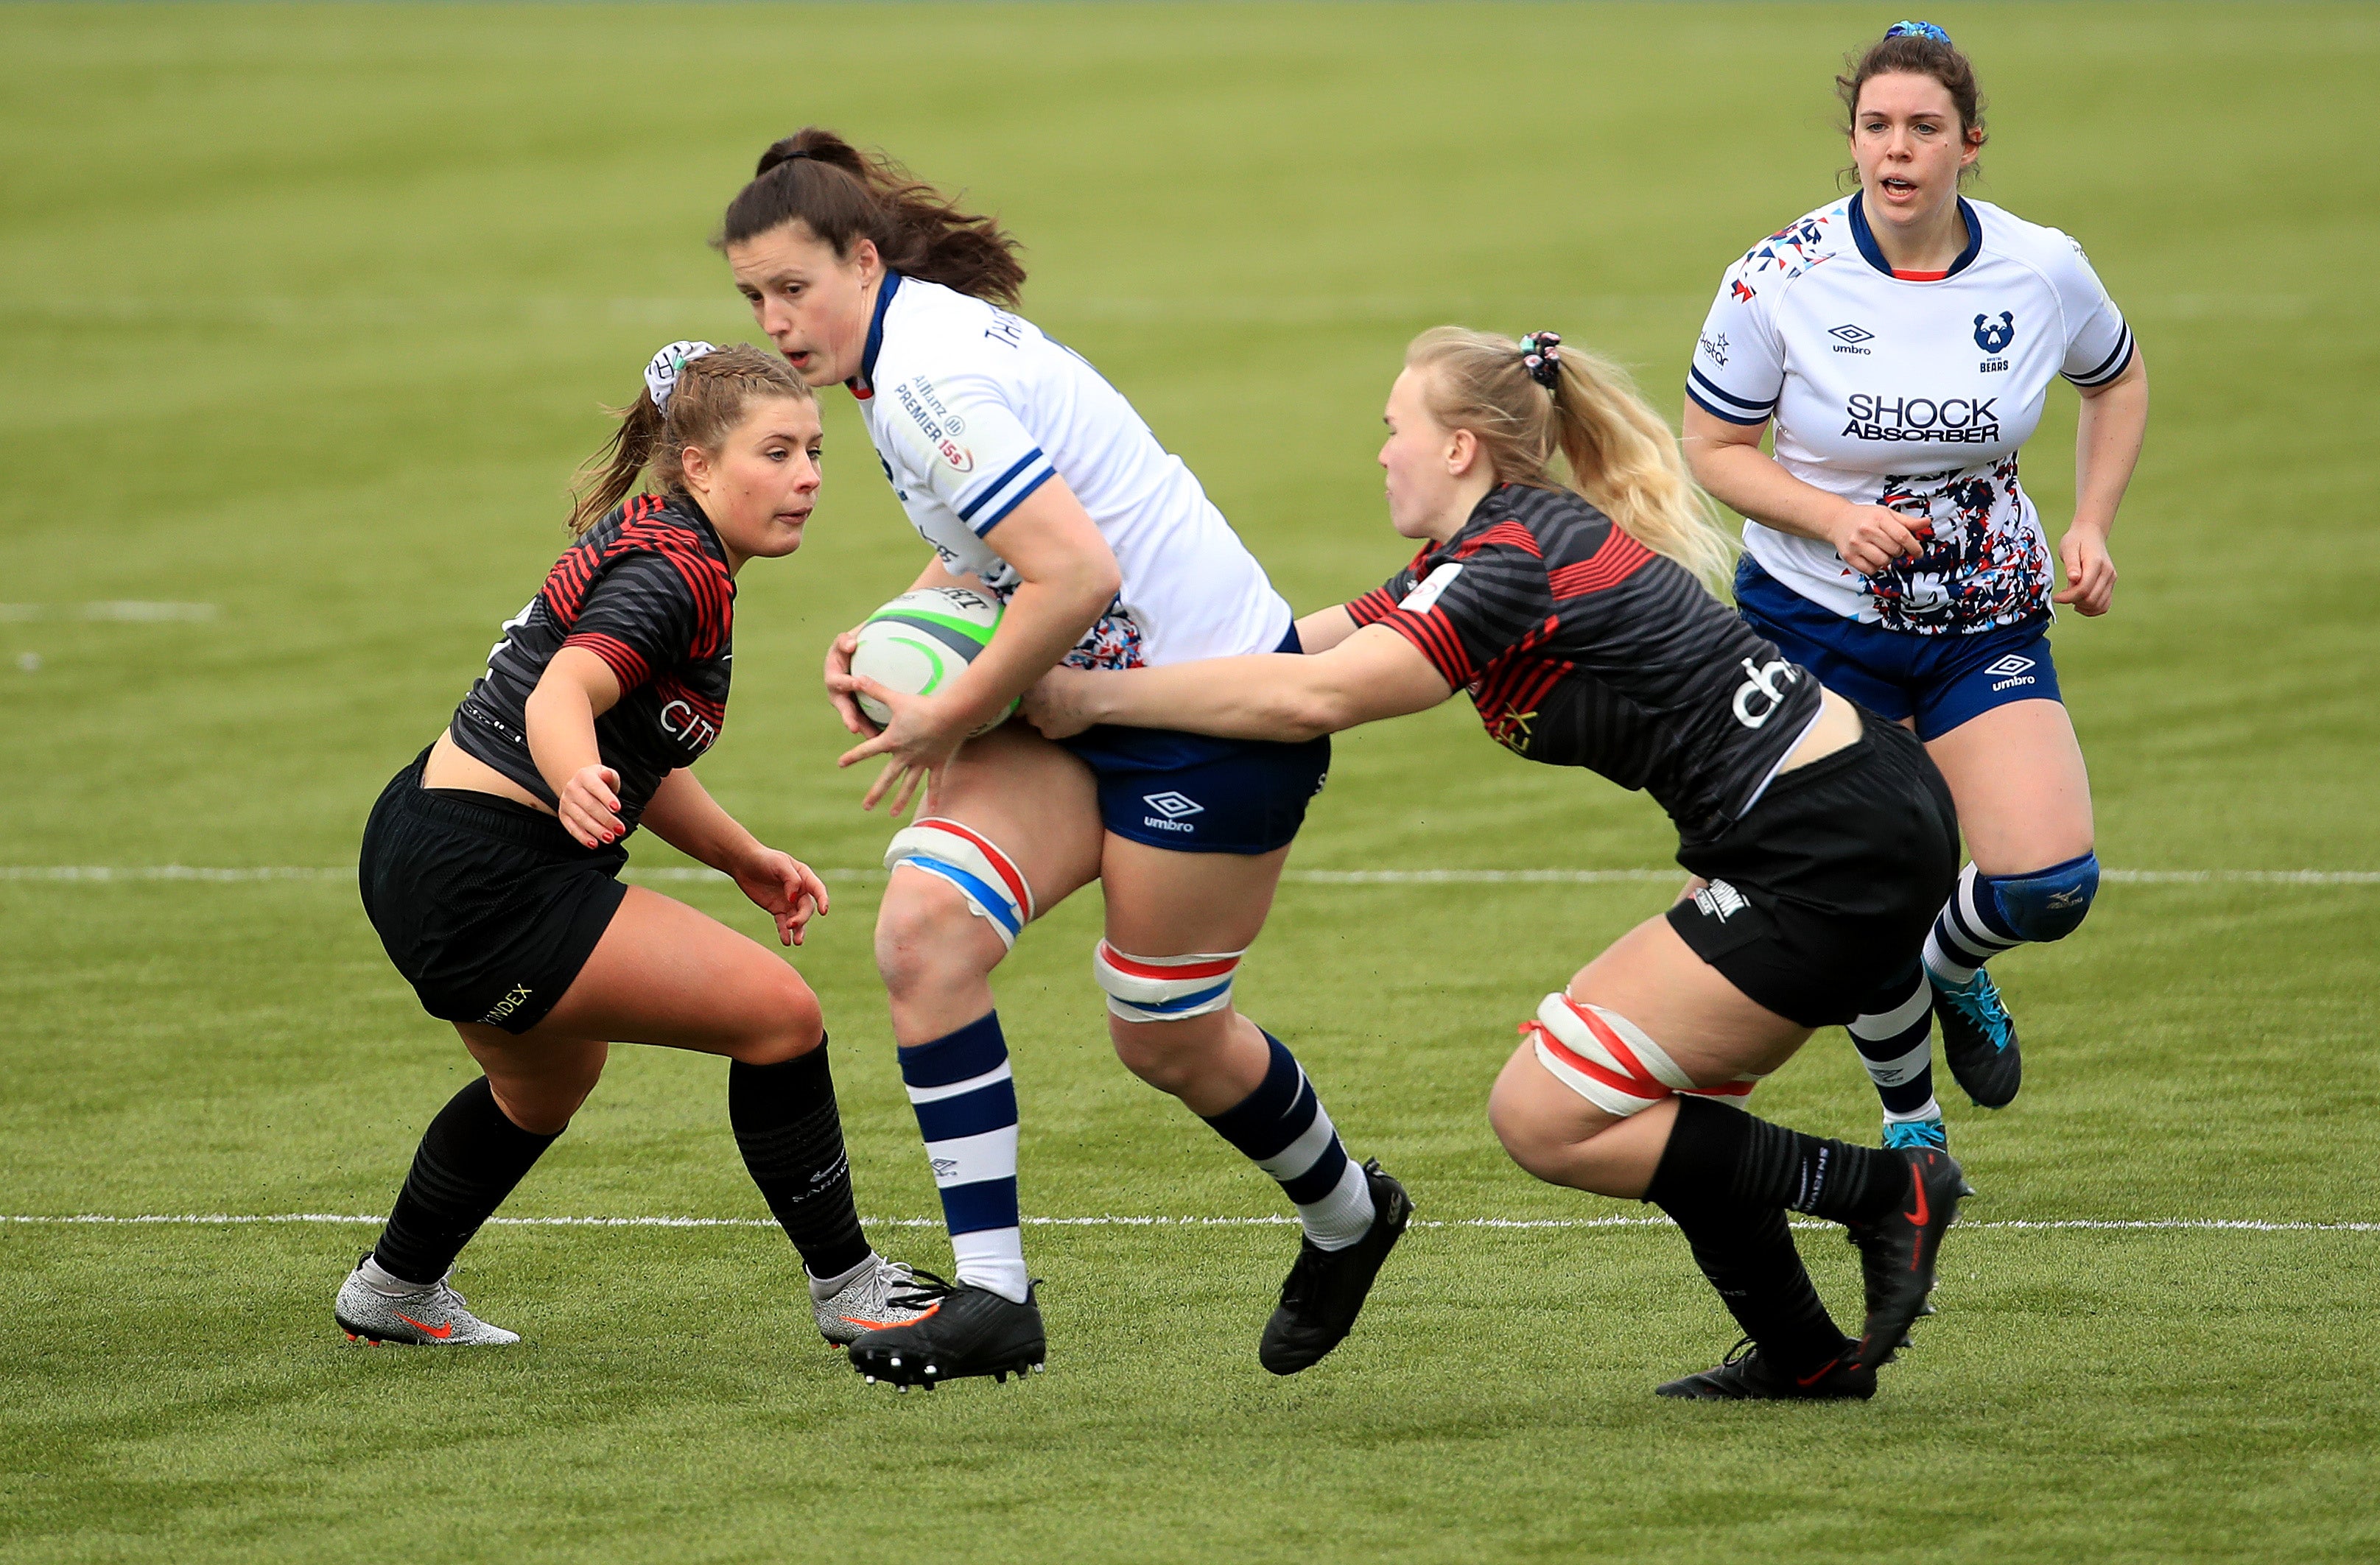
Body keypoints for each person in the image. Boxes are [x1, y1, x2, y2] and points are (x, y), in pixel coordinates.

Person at [1023, 327, 1969, 1400]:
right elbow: (1287, 651)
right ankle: (1804, 1358)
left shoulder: (1510, 559)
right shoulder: (1476, 556)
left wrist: (1085, 701)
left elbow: (1309, 702)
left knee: (1547, 1113)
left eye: (1395, 429)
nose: (1380, 452)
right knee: (1670, 1106)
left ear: (1462, 448)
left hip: (1827, 843)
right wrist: (1034, 665)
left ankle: (1882, 1190)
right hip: (1824, 824)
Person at [718, 130, 1409, 1390]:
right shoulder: (901, 354)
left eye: (793, 289)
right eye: (753, 297)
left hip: (1213, 716)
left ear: (862, 261)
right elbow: (1002, 545)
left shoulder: (929, 378)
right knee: (922, 936)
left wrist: (945, 710)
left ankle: (1351, 1214)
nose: (775, 321)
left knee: (1163, 1033)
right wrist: (895, 631)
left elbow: (1077, 571)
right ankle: (995, 1297)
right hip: (1078, 699)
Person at [336, 342, 924, 1351]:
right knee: (779, 1017)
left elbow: (634, 743)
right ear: (698, 464)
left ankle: (392, 1290)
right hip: (487, 875)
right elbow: (568, 691)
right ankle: (852, 1289)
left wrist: (739, 855)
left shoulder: (667, 540)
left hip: (426, 836)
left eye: (815, 451)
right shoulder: (675, 572)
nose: (808, 477)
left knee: (545, 1083)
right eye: (776, 452)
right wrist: (571, 776)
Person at [1682, 21, 2149, 1150]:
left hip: (1982, 614)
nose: (1895, 150)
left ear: (1968, 144)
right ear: (1852, 141)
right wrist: (1833, 516)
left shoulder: (2039, 266)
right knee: (1862, 892)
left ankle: (1953, 970)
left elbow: (2116, 381)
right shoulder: (1778, 277)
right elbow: (1711, 447)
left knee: (2048, 886)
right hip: (1813, 624)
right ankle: (1912, 1129)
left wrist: (2088, 522)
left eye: (1922, 129)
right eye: (1875, 127)